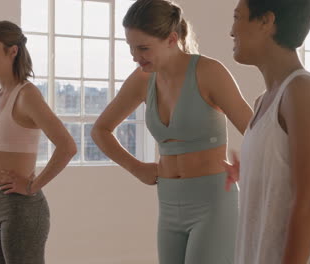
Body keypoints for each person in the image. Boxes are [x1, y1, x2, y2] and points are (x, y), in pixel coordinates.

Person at [91, 0, 253, 263]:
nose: (135, 56)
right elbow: (101, 130)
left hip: (213, 203)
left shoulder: (209, 72)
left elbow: (256, 129)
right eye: (131, 48)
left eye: (143, 48)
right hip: (168, 204)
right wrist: (136, 168)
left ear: (171, 39)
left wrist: (250, 163)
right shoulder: (143, 79)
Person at [224, 0, 310, 263]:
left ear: (266, 21)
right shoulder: (264, 101)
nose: (232, 31)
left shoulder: (302, 91)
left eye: (238, 17)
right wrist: (251, 171)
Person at [0, 20, 77, 264]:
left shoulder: (27, 95)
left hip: (20, 208)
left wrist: (33, 186)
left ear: (12, 51)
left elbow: (67, 146)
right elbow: (2, 144)